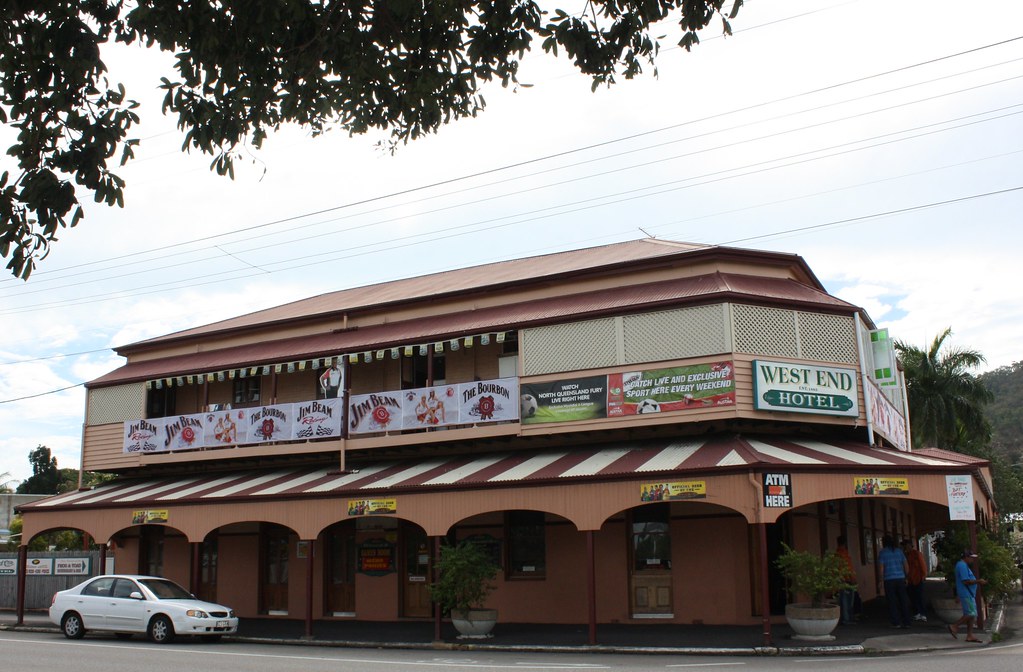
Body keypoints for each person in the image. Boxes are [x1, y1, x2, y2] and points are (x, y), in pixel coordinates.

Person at [949, 549, 987, 643]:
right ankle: (955, 626)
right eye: (971, 558)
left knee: (972, 615)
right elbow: (965, 581)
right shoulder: (962, 566)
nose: (972, 560)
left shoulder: (963, 565)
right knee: (971, 613)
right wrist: (978, 581)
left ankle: (969, 635)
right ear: (966, 557)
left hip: (968, 593)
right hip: (966, 594)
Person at [877, 534, 912, 628]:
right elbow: (906, 566)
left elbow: (881, 569)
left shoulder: (882, 553)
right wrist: (906, 577)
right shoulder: (899, 552)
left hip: (889, 580)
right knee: (903, 600)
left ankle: (896, 622)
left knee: (892, 601)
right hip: (900, 579)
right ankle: (907, 622)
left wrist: (880, 580)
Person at [902, 538, 928, 621]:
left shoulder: (916, 554)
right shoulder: (905, 555)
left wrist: (923, 576)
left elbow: (922, 565)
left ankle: (922, 613)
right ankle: (917, 613)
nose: (904, 548)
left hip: (917, 578)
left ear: (909, 545)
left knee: (919, 596)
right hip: (909, 579)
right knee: (912, 597)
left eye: (905, 545)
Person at [835, 536, 858, 625]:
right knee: (847, 600)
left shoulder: (836, 554)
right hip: (847, 580)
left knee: (843, 599)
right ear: (845, 543)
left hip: (841, 579)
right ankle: (847, 618)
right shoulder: (844, 554)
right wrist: (853, 579)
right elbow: (848, 568)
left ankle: (845, 618)